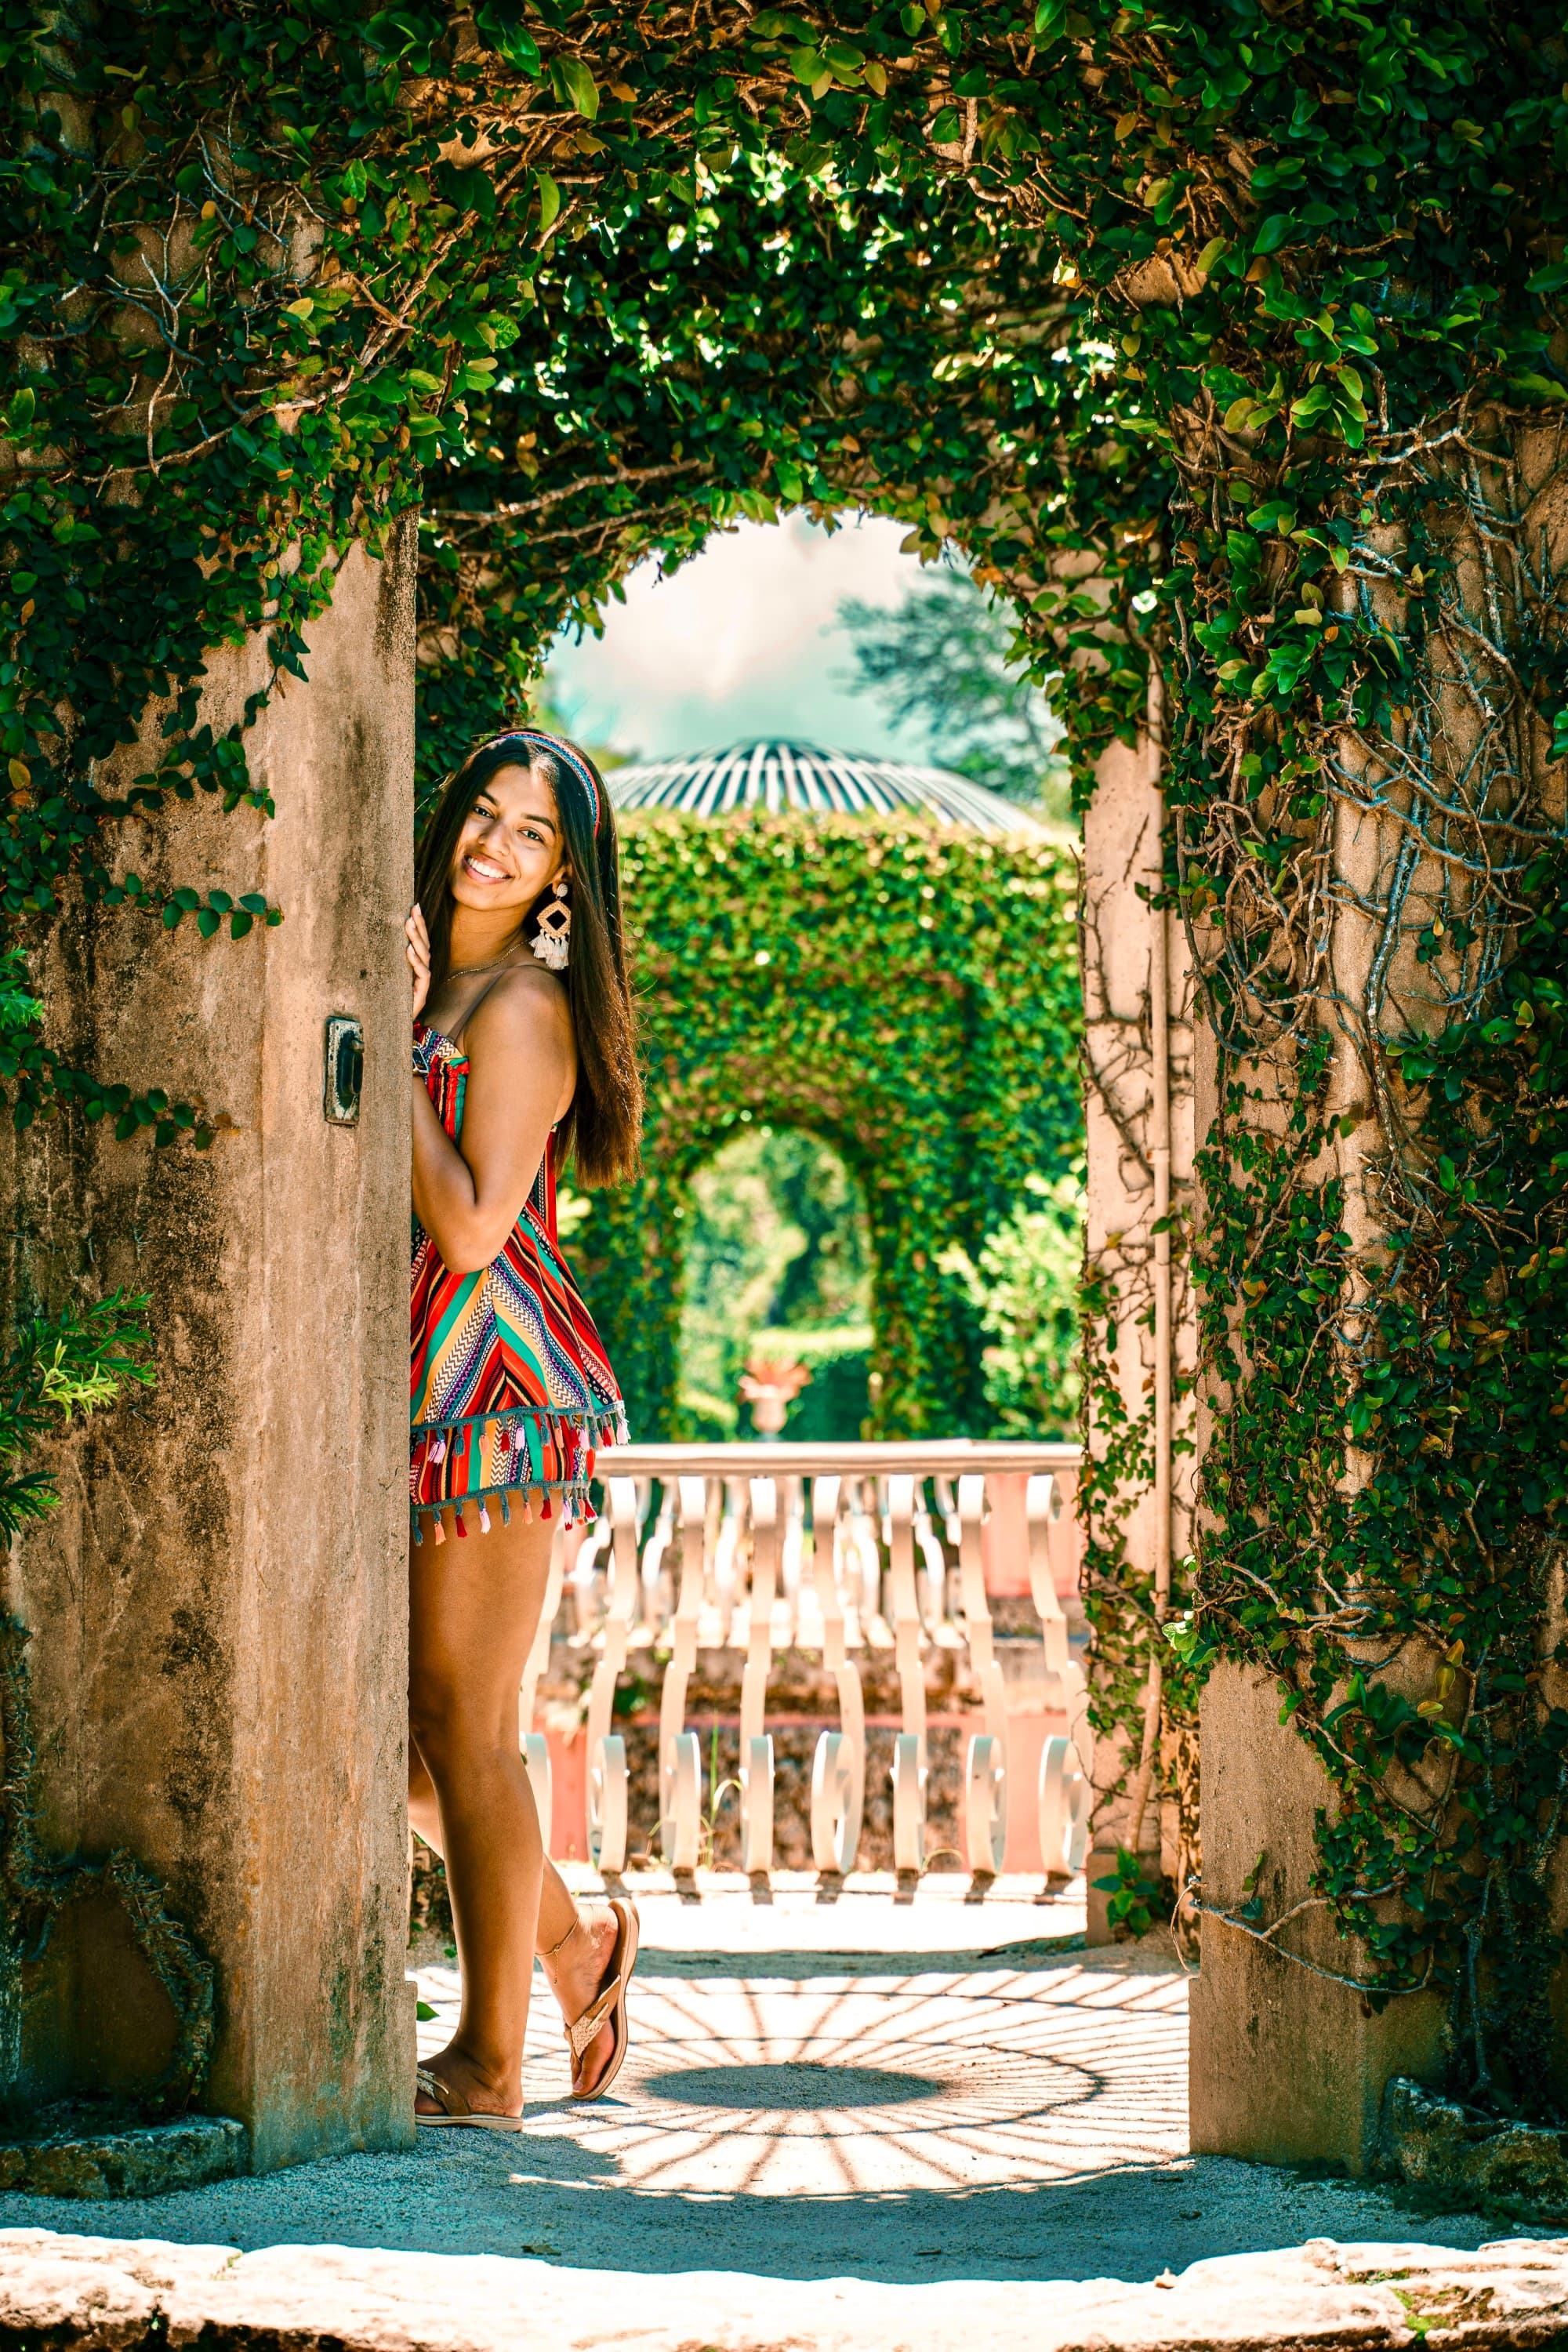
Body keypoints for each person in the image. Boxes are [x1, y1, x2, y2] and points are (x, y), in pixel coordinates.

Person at [405, 725, 643, 2129]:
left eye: (530, 833)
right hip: (423, 1398)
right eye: (481, 815)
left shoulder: (521, 1010)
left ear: (566, 878)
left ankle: (492, 2063)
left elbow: (475, 1224)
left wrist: (378, 1037)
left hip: (498, 1401)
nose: (491, 844)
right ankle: (569, 1945)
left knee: (466, 1728)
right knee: (404, 1740)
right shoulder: (449, 982)